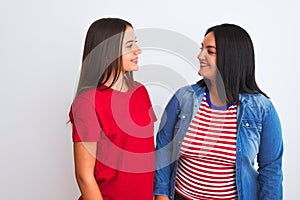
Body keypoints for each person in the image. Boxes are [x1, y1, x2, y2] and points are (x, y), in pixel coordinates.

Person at [154, 23, 283, 200]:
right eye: (202, 48)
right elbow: (163, 147)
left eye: (210, 51)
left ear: (232, 58)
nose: (200, 56)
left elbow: (271, 169)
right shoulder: (183, 97)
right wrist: (161, 194)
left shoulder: (262, 109)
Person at [69, 18, 156, 200]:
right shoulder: (87, 103)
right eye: (129, 45)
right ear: (107, 52)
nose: (138, 50)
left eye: (136, 43)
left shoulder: (140, 91)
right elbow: (84, 177)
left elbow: (147, 154)